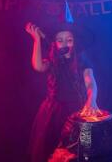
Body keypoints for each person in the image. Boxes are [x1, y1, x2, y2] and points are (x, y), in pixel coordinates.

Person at [25, 22, 100, 162]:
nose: (65, 43)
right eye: (60, 40)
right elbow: (38, 66)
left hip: (78, 111)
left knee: (83, 149)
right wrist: (37, 40)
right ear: (55, 44)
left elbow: (90, 82)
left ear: (75, 42)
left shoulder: (83, 61)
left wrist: (92, 99)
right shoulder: (53, 61)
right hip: (53, 113)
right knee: (52, 151)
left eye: (69, 40)